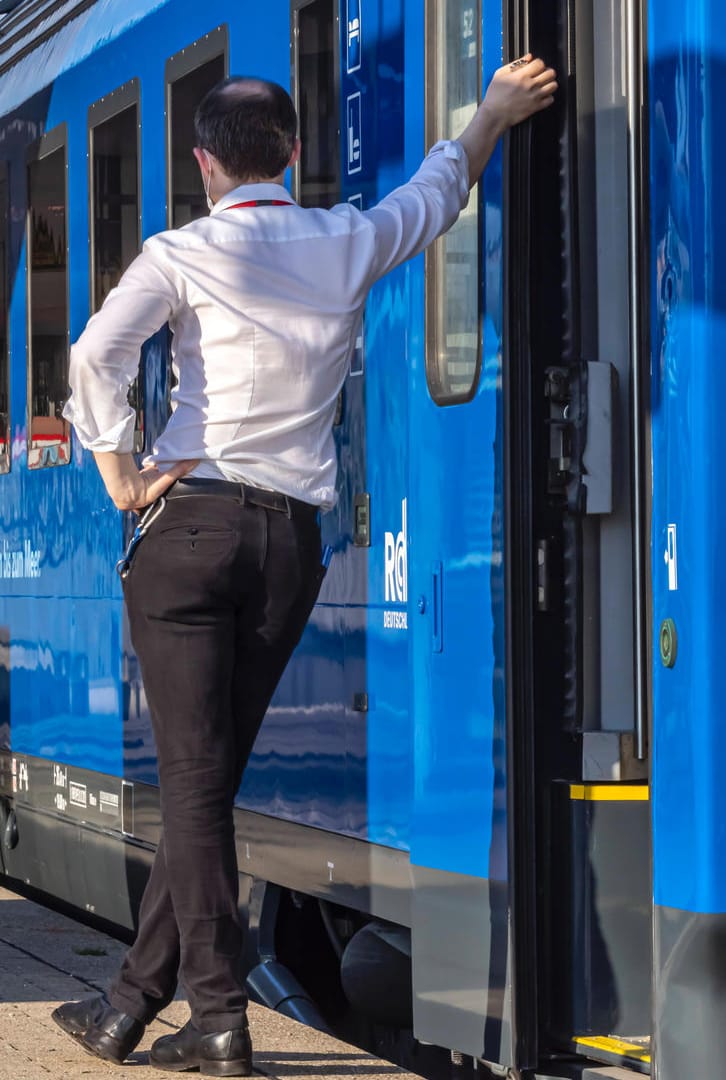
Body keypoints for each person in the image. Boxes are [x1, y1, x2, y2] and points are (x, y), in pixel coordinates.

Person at [50, 57, 557, 1075]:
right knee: (210, 780)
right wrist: (491, 114)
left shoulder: (180, 253)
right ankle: (125, 1005)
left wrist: (119, 472)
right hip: (289, 546)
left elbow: (95, 353)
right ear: (292, 154)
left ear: (203, 165)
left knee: (193, 785)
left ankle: (220, 1017)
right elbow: (437, 190)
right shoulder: (345, 239)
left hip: (188, 531)